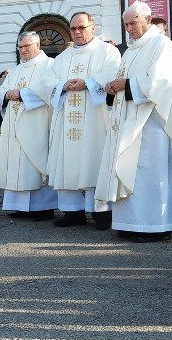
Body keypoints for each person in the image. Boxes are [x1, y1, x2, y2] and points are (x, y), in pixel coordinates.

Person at [95, 1, 172, 242]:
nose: (129, 28)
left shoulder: (161, 44)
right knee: (130, 170)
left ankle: (154, 226)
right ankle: (129, 222)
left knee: (148, 174)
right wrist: (113, 86)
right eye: (126, 24)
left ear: (148, 20)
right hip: (128, 120)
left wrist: (128, 85)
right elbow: (123, 79)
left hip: (152, 125)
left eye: (133, 23)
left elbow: (162, 82)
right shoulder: (131, 49)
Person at [46, 12, 121, 230]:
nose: (78, 32)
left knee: (95, 161)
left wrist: (87, 83)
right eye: (73, 29)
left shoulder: (108, 51)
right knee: (67, 163)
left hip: (96, 119)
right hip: (67, 119)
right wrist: (63, 85)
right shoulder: (63, 57)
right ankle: (73, 212)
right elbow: (48, 80)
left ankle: (101, 213)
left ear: (93, 27)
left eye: (82, 27)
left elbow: (114, 72)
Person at [0, 31, 57, 221]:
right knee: (16, 163)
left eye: (26, 46)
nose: (22, 50)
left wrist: (21, 94)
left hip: (36, 122)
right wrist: (6, 94)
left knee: (36, 162)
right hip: (14, 123)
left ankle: (43, 207)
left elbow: (49, 89)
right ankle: (19, 206)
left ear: (38, 45)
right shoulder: (17, 69)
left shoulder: (50, 65)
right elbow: (2, 89)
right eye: (20, 47)